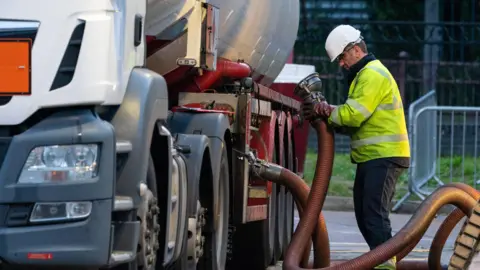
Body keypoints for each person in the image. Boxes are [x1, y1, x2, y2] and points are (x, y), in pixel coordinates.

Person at [302, 24, 410, 270]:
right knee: (364, 216)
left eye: (341, 57)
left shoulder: (372, 74)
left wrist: (326, 110)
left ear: (355, 50)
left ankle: (384, 264)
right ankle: (381, 260)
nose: (341, 63)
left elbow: (353, 115)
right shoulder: (363, 76)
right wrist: (329, 116)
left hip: (384, 156)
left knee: (374, 216)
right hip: (373, 157)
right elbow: (354, 122)